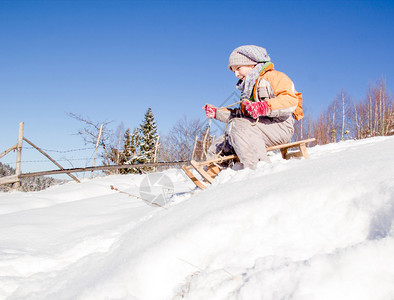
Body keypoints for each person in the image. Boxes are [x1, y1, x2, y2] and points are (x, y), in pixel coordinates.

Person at [203, 45, 303, 169]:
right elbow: (242, 116)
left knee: (239, 127)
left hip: (280, 127)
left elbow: (290, 100)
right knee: (220, 143)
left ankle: (257, 169)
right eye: (233, 71)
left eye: (238, 68)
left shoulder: (274, 77)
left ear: (252, 64)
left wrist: (264, 107)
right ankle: (213, 175)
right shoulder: (248, 88)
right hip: (256, 127)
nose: (236, 74)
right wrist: (216, 113)